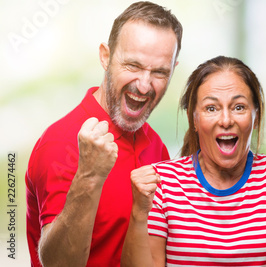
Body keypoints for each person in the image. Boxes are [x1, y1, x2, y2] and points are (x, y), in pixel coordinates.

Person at [25, 2, 183, 266]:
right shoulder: (58, 143)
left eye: (159, 72)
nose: (144, 85)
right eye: (133, 65)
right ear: (105, 57)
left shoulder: (156, 146)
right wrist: (89, 176)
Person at [122, 56, 266, 266]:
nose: (226, 121)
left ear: (256, 118)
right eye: (211, 108)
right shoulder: (163, 183)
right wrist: (139, 214)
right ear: (194, 119)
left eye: (239, 107)